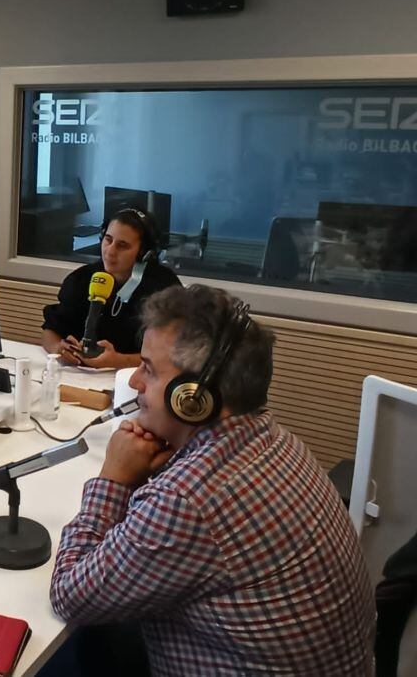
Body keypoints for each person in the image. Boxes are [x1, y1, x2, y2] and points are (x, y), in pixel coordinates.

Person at [49, 285, 375, 676]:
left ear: (192, 397)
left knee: (56, 654)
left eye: (149, 370)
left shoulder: (187, 499)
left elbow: (70, 594)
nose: (135, 382)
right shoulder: (274, 438)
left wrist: (115, 480)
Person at [41, 208, 180, 368]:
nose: (110, 251)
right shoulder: (82, 278)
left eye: (122, 245)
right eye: (108, 240)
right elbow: (50, 331)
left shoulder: (163, 288)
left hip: (135, 379)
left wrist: (118, 361)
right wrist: (57, 348)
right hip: (80, 377)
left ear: (143, 253)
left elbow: (171, 354)